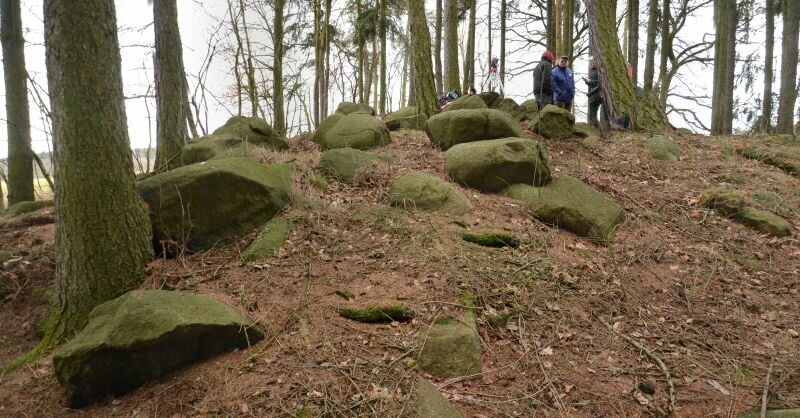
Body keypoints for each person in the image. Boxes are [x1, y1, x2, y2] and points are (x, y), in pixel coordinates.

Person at [583, 60, 609, 129]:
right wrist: (587, 81)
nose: (591, 64)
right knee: (593, 116)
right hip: (595, 96)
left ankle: (599, 131)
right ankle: (599, 131)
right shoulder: (594, 72)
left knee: (593, 116)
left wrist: (590, 81)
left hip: (595, 96)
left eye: (593, 63)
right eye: (590, 63)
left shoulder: (599, 72)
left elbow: (599, 83)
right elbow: (594, 84)